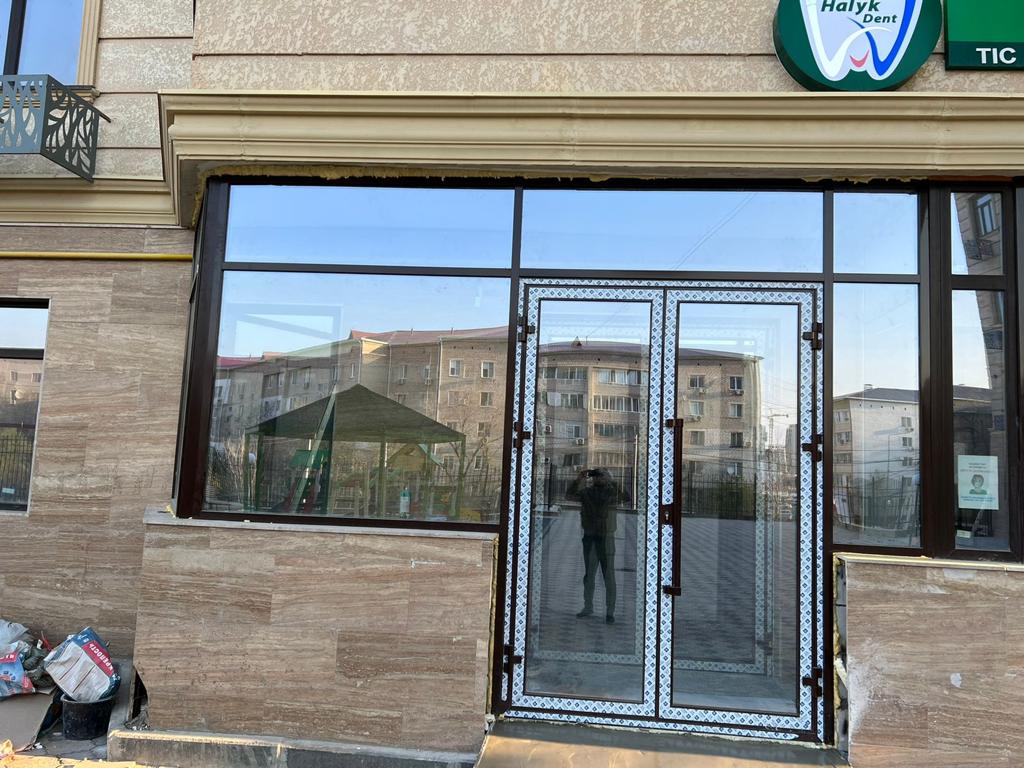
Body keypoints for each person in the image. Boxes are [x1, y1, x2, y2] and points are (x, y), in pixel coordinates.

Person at [566, 468, 619, 624]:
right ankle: (588, 606)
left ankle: (610, 611)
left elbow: (627, 497)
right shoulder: (586, 492)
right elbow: (569, 495)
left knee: (609, 576)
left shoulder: (611, 492)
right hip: (590, 538)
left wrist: (612, 480)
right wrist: (579, 479)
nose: (598, 478)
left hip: (606, 538)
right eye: (595, 476)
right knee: (589, 575)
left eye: (601, 476)